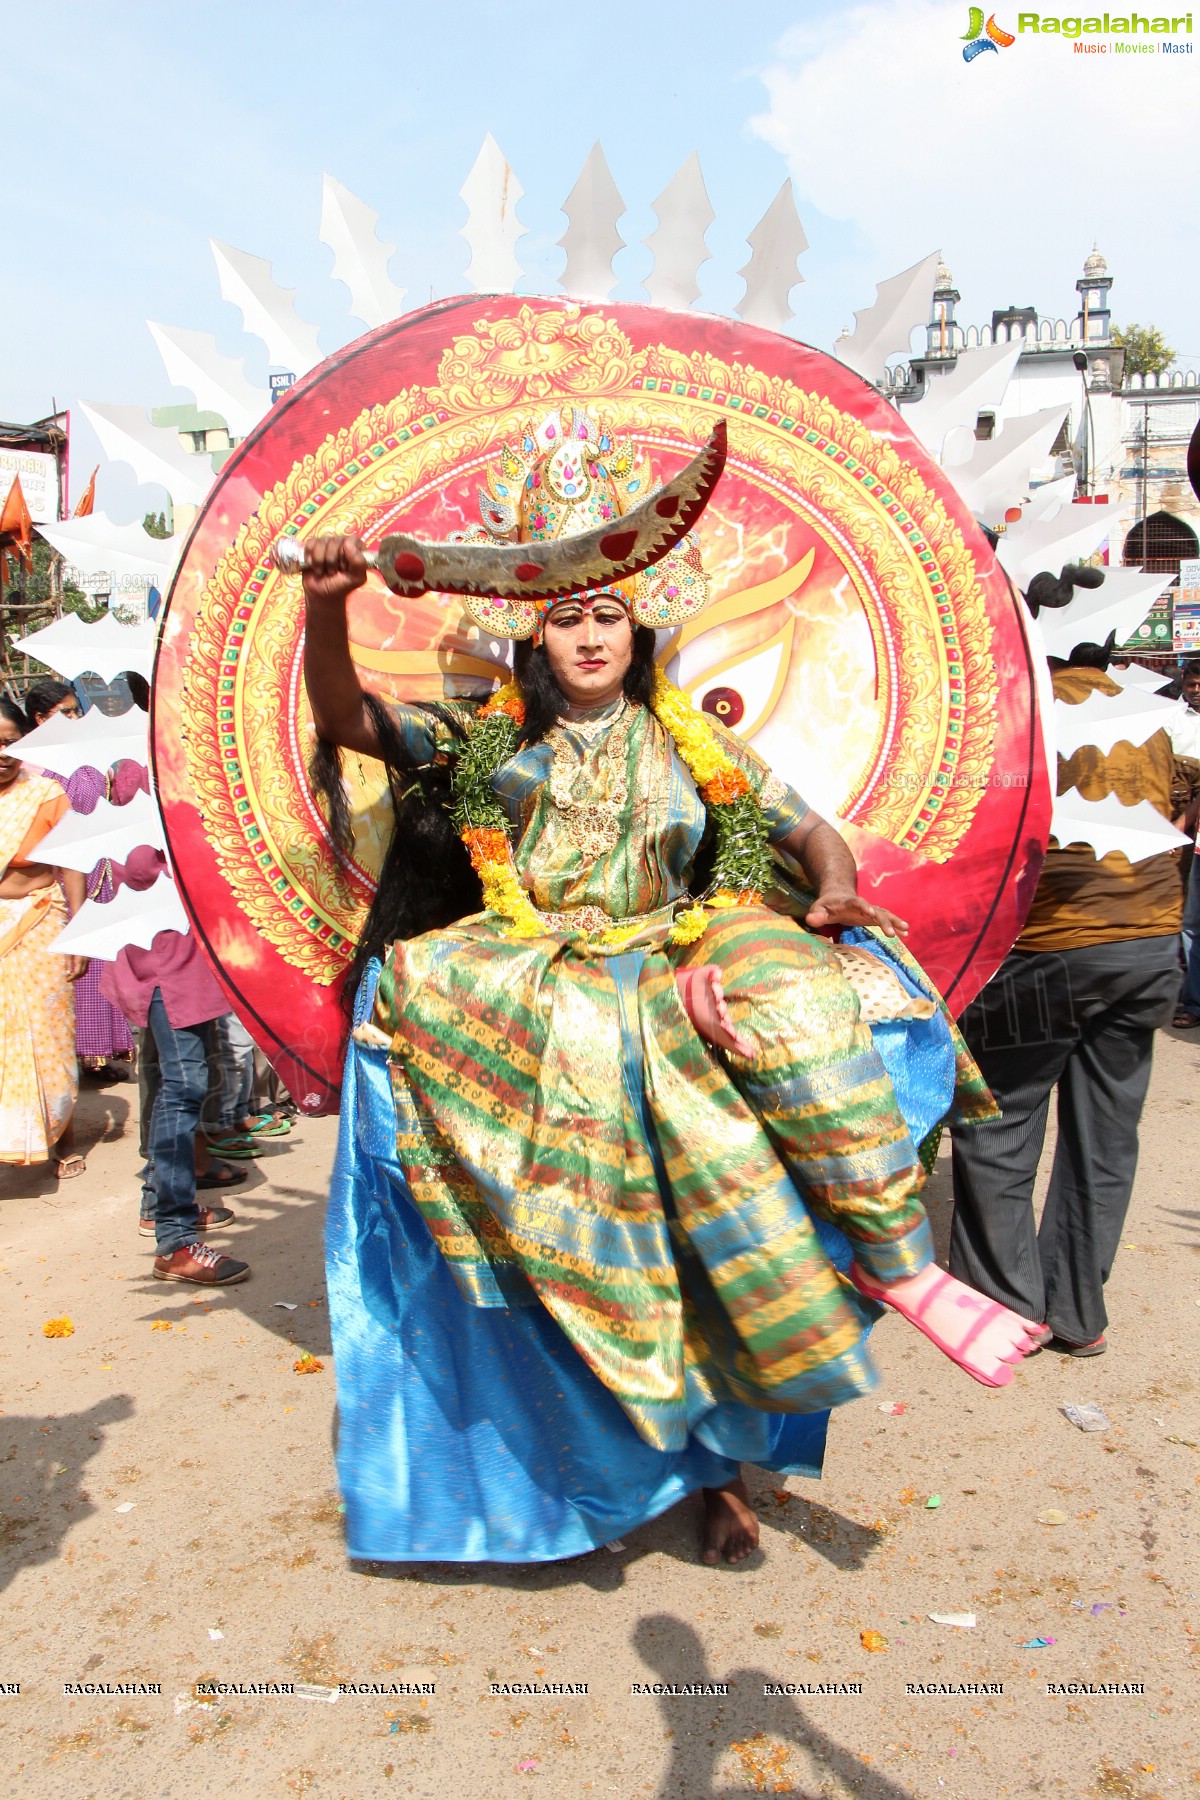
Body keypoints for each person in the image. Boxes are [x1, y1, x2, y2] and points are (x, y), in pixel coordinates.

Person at [297, 410, 1037, 1568]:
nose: (589, 636)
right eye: (564, 616)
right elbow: (345, 719)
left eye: (607, 612)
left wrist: (833, 892)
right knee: (444, 1005)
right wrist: (324, 607)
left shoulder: (695, 741)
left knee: (793, 1005)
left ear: (637, 624)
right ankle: (612, 1458)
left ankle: (872, 1292)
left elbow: (810, 835)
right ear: (531, 638)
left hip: (680, 950)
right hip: (546, 983)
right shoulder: (486, 743)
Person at [949, 627, 1182, 1357]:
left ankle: (1010, 1308)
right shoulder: (1149, 708)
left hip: (1046, 951)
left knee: (1000, 1127)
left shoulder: (1022, 710)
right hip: (1149, 942)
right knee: (1106, 1139)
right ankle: (1080, 1314)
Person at [100, 847, 251, 1286]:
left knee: (176, 1081)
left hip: (191, 958)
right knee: (183, 1085)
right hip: (163, 960)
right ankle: (174, 1241)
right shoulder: (143, 780)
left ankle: (162, 1205)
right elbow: (139, 867)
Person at [23, 678, 137, 1082]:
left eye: (75, 710)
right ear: (39, 718)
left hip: (99, 873)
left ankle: (96, 1052)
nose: (74, 717)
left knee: (100, 966)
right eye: (64, 712)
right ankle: (63, 1054)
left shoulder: (89, 757)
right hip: (57, 880)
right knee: (66, 968)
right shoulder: (31, 767)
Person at [0, 696, 89, 1172]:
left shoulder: (45, 795)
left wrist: (79, 928)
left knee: (48, 1031)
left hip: (39, 923)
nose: (4, 754)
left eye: (12, 743)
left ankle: (61, 1136)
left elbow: (70, 864)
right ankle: (13, 1136)